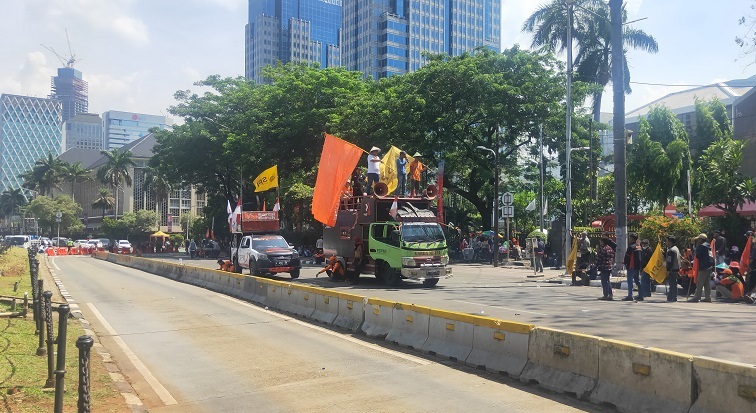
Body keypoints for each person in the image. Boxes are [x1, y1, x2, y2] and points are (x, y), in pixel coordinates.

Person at [689, 233, 714, 303]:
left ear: (701, 239)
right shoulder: (708, 246)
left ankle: (696, 297)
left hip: (703, 266)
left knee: (699, 282)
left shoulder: (702, 246)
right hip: (709, 266)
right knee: (707, 283)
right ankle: (708, 297)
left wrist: (696, 247)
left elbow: (698, 256)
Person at [623, 233, 643, 301]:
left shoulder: (631, 247)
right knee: (638, 281)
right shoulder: (639, 246)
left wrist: (625, 263)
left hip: (631, 267)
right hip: (637, 267)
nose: (629, 239)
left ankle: (630, 295)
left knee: (630, 281)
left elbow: (627, 257)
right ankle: (641, 295)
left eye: (630, 238)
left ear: (632, 238)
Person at [665, 235, 681, 302]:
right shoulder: (676, 248)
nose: (666, 242)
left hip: (672, 269)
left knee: (672, 284)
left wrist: (668, 270)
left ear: (670, 242)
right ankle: (672, 297)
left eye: (667, 241)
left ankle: (672, 297)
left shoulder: (671, 250)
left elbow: (669, 261)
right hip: (676, 268)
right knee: (673, 284)